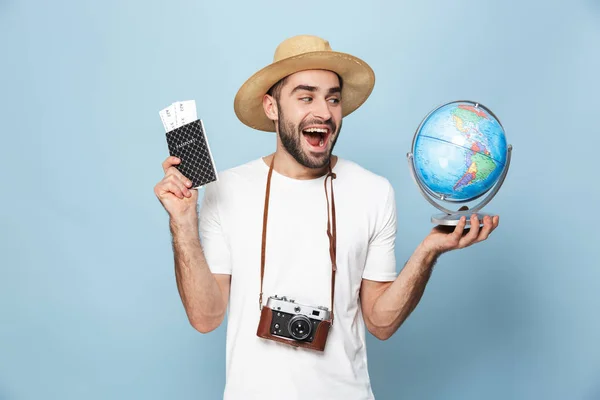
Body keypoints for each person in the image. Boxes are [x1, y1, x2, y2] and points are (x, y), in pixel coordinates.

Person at [153, 35, 499, 400]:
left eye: (333, 98)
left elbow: (380, 322)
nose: (324, 112)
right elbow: (205, 317)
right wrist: (182, 223)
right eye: (306, 97)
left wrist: (428, 251)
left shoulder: (373, 191)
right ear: (271, 107)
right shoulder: (228, 189)